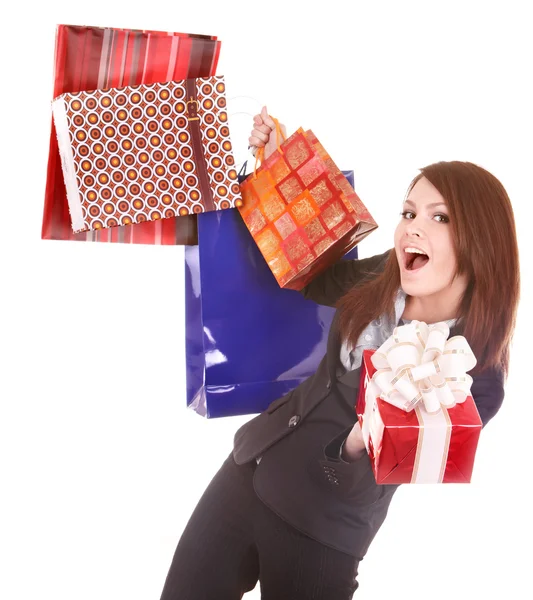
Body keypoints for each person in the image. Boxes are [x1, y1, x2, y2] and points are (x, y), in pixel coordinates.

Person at [159, 108, 520, 600]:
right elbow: (320, 278)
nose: (412, 227)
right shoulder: (387, 274)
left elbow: (387, 473)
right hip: (250, 467)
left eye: (439, 217)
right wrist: (280, 169)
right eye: (409, 212)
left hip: (319, 533)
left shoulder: (477, 375)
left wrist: (357, 446)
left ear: (483, 241)